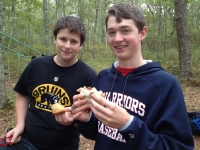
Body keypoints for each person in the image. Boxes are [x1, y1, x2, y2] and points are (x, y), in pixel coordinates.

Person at [58, 2, 194, 150]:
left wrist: (128, 125)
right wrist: (86, 119)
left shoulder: (165, 85)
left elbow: (179, 146)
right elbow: (97, 133)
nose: (117, 38)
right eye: (111, 32)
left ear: (142, 33)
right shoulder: (103, 78)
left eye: (125, 30)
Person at [0, 16, 97, 150]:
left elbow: (89, 117)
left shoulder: (88, 76)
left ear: (80, 45)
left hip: (63, 146)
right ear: (55, 39)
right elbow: (22, 95)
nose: (67, 46)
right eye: (63, 39)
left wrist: (74, 119)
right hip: (26, 142)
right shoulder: (36, 65)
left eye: (73, 41)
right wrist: (19, 126)